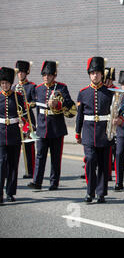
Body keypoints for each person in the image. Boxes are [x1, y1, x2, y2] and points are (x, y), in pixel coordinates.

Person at [28, 61, 76, 191]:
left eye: (49, 75)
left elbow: (70, 105)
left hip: (57, 128)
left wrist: (58, 104)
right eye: (44, 75)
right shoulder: (38, 89)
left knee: (55, 158)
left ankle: (54, 183)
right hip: (42, 127)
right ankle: (37, 181)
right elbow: (36, 108)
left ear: (54, 75)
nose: (46, 77)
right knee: (40, 156)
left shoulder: (61, 87)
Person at [75, 57, 114, 203]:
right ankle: (89, 191)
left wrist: (118, 120)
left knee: (104, 164)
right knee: (90, 161)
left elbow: (116, 111)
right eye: (92, 73)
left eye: (97, 73)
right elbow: (80, 115)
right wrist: (77, 132)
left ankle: (101, 192)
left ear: (101, 74)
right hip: (89, 133)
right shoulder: (83, 92)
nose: (95, 75)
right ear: (89, 75)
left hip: (104, 133)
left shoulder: (109, 92)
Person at [0, 67, 25, 203]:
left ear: (11, 83)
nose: (5, 85)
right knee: (1, 164)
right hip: (1, 133)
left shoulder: (18, 97)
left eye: (7, 83)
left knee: (13, 165)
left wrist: (24, 125)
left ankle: (10, 192)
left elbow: (25, 114)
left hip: (15, 134)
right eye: (2, 83)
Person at [13, 60, 37, 178]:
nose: (20, 74)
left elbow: (35, 101)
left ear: (26, 73)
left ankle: (31, 170)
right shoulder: (13, 87)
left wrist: (28, 104)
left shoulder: (31, 86)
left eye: (22, 72)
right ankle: (11, 170)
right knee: (13, 145)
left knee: (29, 145)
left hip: (27, 119)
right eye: (18, 72)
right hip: (16, 119)